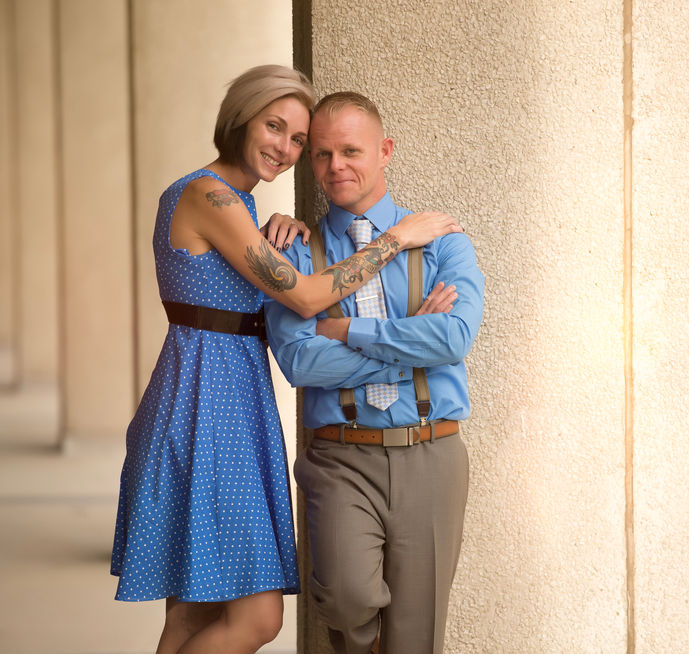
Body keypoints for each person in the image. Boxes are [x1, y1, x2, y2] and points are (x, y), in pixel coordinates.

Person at [110, 66, 462, 654]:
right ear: (241, 119)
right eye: (275, 126)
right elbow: (301, 296)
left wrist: (282, 225)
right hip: (208, 408)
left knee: (191, 619)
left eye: (297, 139)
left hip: (222, 399)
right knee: (257, 619)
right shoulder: (209, 194)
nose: (285, 147)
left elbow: (261, 275)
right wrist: (395, 238)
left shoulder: (237, 205)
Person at [266, 91, 484, 654]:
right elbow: (300, 360)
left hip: (432, 453)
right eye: (320, 154)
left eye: (350, 151)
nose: (335, 166)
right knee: (344, 597)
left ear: (385, 151)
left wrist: (348, 332)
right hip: (340, 454)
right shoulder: (293, 253)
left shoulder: (444, 240)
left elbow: (455, 337)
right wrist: (415, 340)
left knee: (416, 633)